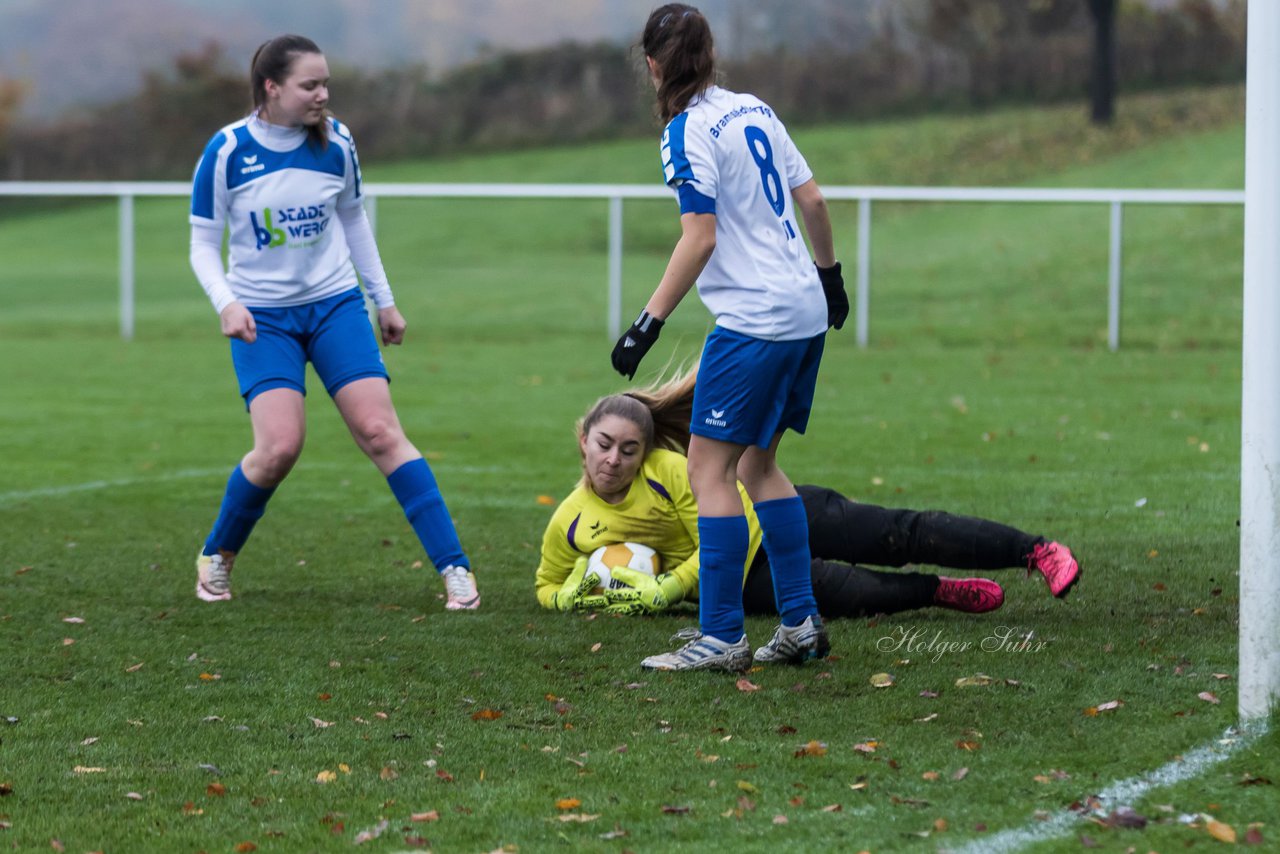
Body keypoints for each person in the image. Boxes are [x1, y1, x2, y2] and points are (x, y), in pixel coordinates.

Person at [187, 34, 479, 610]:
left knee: (380, 432)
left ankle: (455, 569)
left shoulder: (338, 143)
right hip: (261, 319)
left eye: (326, 84)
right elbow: (201, 243)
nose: (323, 94)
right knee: (278, 449)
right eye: (310, 85)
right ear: (272, 88)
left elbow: (354, 223)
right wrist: (226, 301)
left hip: (335, 305)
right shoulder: (226, 152)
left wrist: (383, 300)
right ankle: (217, 556)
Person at [607, 5, 851, 672]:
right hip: (802, 309)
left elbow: (701, 235)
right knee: (757, 466)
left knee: (707, 469)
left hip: (757, 321)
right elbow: (815, 203)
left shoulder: (685, 131)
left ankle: (721, 636)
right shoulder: (755, 109)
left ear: (653, 65)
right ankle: (801, 624)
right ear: (710, 57)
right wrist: (830, 280)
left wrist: (645, 325)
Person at [534, 372, 1080, 630]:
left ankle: (1037, 552)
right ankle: (938, 590)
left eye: (629, 449)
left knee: (895, 531)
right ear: (583, 440)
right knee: (848, 593)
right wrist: (574, 597)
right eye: (605, 446)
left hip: (772, 513)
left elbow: (726, 532)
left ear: (645, 451)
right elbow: (546, 584)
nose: (614, 460)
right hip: (742, 578)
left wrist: (670, 588)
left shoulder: (669, 470)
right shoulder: (571, 520)